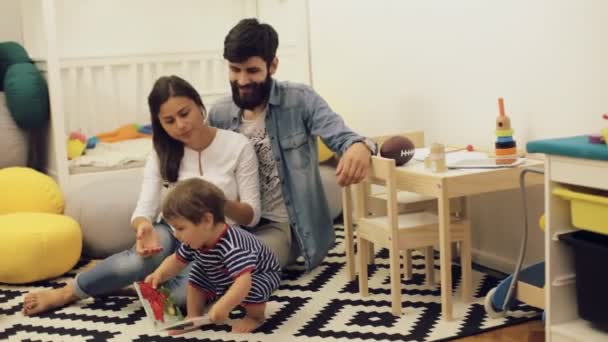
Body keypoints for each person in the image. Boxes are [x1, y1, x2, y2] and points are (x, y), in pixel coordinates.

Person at [22, 75, 261, 316]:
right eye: (169, 120)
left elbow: (251, 217)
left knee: (179, 298)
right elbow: (144, 209)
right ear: (159, 123)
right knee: (135, 261)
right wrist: (143, 226)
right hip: (171, 231)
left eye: (184, 113)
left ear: (199, 106)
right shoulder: (162, 153)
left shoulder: (237, 146)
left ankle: (124, 283)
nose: (179, 125)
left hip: (214, 241)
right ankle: (67, 292)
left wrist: (218, 202)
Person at [208, 18, 377, 271]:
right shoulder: (219, 114)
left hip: (284, 227)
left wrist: (361, 146)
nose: (242, 80)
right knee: (192, 263)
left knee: (238, 268)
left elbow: (345, 137)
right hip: (235, 224)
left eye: (252, 71)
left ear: (272, 65)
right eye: (235, 69)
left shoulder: (300, 100)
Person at [146, 178, 281, 334]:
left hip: (260, 274)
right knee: (197, 271)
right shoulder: (195, 241)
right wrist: (159, 274)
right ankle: (193, 315)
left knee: (252, 286)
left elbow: (244, 282)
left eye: (181, 228)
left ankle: (255, 317)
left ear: (207, 220)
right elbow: (176, 260)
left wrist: (223, 306)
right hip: (225, 274)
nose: (176, 235)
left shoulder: (232, 246)